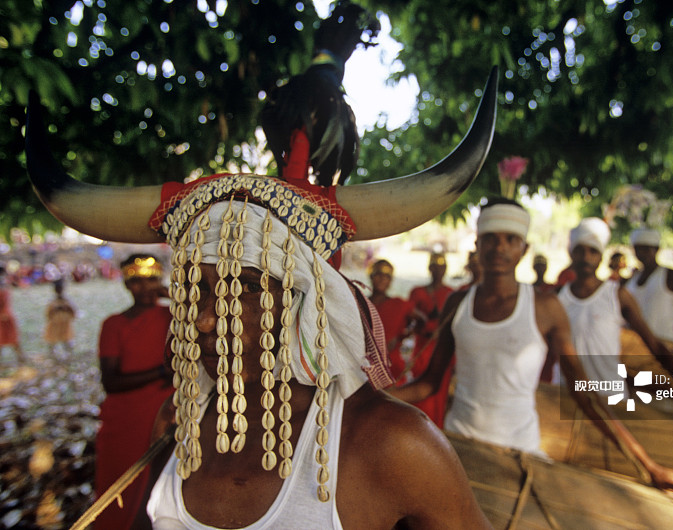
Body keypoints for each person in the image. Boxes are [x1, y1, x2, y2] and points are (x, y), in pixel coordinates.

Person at [24, 5, 499, 521]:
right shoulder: (180, 420)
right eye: (196, 289)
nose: (205, 319)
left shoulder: (393, 444)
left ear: (309, 302)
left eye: (246, 287)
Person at [390, 199, 673, 497]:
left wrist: (650, 466)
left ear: (524, 249)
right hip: (460, 448)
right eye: (490, 238)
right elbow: (429, 383)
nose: (499, 248)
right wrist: (371, 396)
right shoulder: (458, 303)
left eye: (511, 239)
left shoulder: (545, 307)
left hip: (520, 454)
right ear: (477, 245)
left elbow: (584, 393)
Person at [558, 218, 673, 421]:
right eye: (639, 249)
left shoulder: (666, 278)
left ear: (656, 250)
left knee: (666, 417)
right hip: (631, 359)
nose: (643, 253)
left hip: (663, 355)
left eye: (648, 249)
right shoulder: (628, 281)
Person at [93, 254, 174, 530]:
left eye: (152, 280)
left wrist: (171, 295)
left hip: (167, 413)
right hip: (127, 417)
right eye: (137, 281)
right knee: (121, 485)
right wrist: (161, 372)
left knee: (164, 482)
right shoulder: (114, 324)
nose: (145, 287)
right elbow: (111, 381)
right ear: (127, 285)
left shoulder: (173, 316)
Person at [406, 251, 455, 427]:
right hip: (422, 348)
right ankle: (417, 427)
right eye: (435, 267)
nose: (438, 271)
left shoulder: (451, 294)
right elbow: (408, 319)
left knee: (438, 391)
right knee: (418, 387)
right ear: (430, 268)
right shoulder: (418, 292)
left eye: (442, 267)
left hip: (441, 349)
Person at [368, 259, 415, 383]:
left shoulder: (399, 304)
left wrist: (402, 336)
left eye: (387, 276)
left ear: (390, 280)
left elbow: (421, 320)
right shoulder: (361, 302)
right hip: (365, 365)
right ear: (371, 277)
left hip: (392, 365)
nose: (382, 279)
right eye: (378, 275)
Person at [43, 278, 76, 359]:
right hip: (54, 323)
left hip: (65, 323)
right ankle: (52, 354)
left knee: (66, 339)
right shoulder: (52, 301)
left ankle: (69, 354)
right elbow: (48, 314)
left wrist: (65, 309)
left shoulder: (67, 301)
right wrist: (55, 310)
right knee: (52, 340)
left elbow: (73, 312)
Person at [0, 264, 24, 364]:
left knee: (8, 338)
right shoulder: (5, 284)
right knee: (12, 338)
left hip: (4, 315)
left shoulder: (3, 284)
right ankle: (21, 358)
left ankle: (21, 358)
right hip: (7, 314)